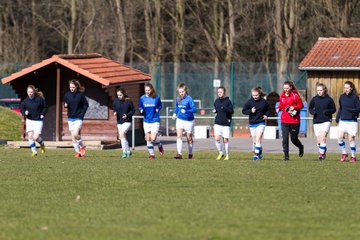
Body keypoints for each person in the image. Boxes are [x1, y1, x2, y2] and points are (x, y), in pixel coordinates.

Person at [276, 81, 304, 161]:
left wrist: (293, 107)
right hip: (284, 120)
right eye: (284, 88)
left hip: (294, 121)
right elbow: (281, 104)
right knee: (285, 139)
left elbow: (301, 105)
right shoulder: (282, 96)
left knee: (293, 139)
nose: (286, 90)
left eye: (287, 88)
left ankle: (300, 147)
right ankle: (286, 156)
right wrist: (278, 108)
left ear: (291, 87)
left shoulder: (295, 96)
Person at [308, 83, 336, 160]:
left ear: (324, 90)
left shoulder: (329, 99)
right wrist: (313, 112)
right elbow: (310, 108)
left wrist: (327, 111)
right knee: (319, 141)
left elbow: (334, 109)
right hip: (317, 121)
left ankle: (321, 155)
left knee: (323, 137)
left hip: (326, 120)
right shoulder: (314, 99)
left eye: (320, 90)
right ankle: (323, 150)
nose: (319, 92)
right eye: (318, 90)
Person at [242, 86, 269, 160]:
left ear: (259, 94)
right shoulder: (249, 102)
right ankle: (259, 152)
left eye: (256, 95)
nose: (255, 97)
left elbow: (268, 110)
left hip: (261, 122)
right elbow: (244, 111)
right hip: (252, 123)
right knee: (255, 141)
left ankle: (256, 155)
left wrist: (266, 115)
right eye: (253, 95)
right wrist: (251, 111)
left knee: (257, 139)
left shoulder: (264, 102)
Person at [336, 81, 360, 163]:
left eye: (347, 88)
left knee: (350, 139)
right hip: (343, 120)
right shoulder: (342, 97)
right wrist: (338, 117)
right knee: (339, 137)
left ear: (351, 88)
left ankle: (353, 156)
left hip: (352, 121)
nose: (346, 89)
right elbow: (341, 108)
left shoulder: (355, 97)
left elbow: (358, 109)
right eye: (345, 88)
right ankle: (344, 153)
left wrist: (350, 111)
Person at [21, 85, 48, 157]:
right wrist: (24, 113)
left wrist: (42, 114)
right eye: (28, 92)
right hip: (29, 120)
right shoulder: (26, 100)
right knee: (30, 136)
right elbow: (22, 108)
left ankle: (42, 144)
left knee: (35, 137)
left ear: (34, 92)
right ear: (27, 92)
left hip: (38, 121)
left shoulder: (39, 99)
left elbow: (45, 107)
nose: (30, 93)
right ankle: (34, 151)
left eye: (31, 92)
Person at [138, 83, 164, 159]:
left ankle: (159, 145)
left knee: (153, 138)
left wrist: (158, 109)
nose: (147, 92)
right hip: (146, 121)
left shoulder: (156, 98)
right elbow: (140, 106)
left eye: (148, 90)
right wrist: (141, 109)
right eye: (146, 90)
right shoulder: (142, 98)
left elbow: (160, 105)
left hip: (155, 120)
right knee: (148, 138)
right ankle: (152, 155)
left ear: (151, 90)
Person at [64, 79, 89, 158]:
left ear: (76, 87)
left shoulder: (81, 95)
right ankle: (79, 152)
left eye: (73, 87)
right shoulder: (67, 94)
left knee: (75, 134)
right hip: (70, 117)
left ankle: (82, 146)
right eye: (70, 87)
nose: (71, 88)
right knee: (73, 138)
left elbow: (86, 105)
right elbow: (66, 103)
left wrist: (82, 114)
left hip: (78, 117)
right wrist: (66, 105)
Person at [172, 83, 197, 159]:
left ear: (185, 91)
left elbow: (194, 109)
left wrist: (187, 111)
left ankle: (190, 153)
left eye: (182, 91)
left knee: (189, 137)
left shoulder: (189, 99)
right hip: (180, 119)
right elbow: (177, 107)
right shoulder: (178, 98)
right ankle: (179, 153)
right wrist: (174, 113)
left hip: (189, 121)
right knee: (179, 135)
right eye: (180, 92)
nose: (181, 93)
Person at [113, 88, 135, 158]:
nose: (119, 96)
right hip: (119, 121)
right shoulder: (115, 101)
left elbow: (133, 110)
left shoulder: (128, 101)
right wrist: (115, 112)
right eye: (118, 95)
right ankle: (128, 151)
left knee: (122, 134)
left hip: (127, 121)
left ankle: (124, 152)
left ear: (124, 94)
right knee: (122, 137)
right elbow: (115, 108)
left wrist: (127, 115)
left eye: (120, 95)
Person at [213, 87, 234, 161]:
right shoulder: (216, 101)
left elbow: (231, 111)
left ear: (224, 93)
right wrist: (215, 111)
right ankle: (221, 153)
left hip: (225, 123)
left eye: (221, 92)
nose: (219, 93)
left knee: (225, 140)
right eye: (218, 92)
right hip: (218, 122)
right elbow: (216, 109)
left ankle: (227, 155)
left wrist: (224, 108)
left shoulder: (228, 101)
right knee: (217, 138)